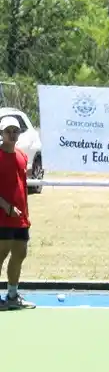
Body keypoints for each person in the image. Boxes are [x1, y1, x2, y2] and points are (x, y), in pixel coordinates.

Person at [0, 115, 33, 310]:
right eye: (8, 131)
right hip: (3, 218)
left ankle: (12, 295)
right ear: (2, 133)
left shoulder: (21, 156)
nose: (12, 134)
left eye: (15, 131)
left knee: (20, 254)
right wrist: (6, 206)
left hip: (21, 218)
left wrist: (21, 212)